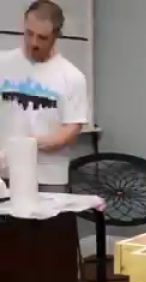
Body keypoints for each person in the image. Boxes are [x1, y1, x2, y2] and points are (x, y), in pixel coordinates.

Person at [0, 0, 89, 192]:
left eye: (42, 37)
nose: (34, 43)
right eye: (29, 33)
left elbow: (71, 129)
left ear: (56, 35)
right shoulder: (3, 63)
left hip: (48, 177)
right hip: (4, 173)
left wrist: (27, 145)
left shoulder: (72, 77)